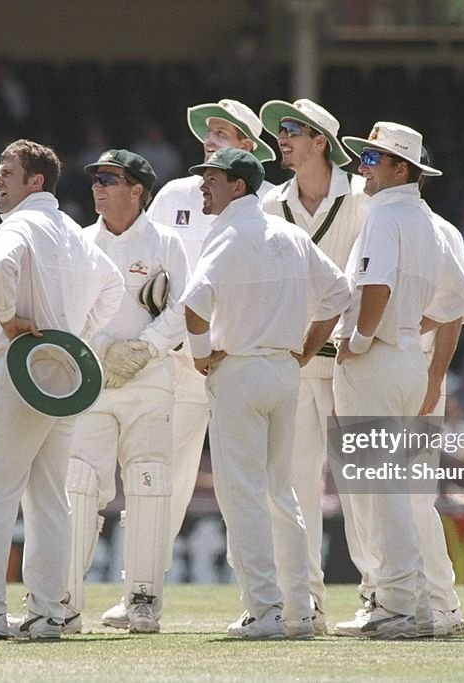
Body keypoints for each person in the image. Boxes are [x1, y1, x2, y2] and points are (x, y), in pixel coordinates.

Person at [0, 139, 122, 641]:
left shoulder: (18, 224)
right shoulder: (76, 233)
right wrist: (72, 337)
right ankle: (49, 612)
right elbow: (114, 287)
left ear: (35, 181)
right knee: (50, 498)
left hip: (19, 373)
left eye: (7, 172)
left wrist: (10, 319)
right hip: (63, 378)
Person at [100, 99, 275, 629]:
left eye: (224, 132)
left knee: (247, 484)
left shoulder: (266, 203)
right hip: (175, 359)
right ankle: (141, 594)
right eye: (207, 131)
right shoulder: (176, 193)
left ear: (248, 145)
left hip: (236, 357)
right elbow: (145, 265)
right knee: (158, 480)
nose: (210, 139)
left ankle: (264, 603)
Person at [181, 147, 349, 639]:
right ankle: (299, 609)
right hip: (282, 371)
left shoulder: (227, 234)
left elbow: (194, 308)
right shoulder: (291, 233)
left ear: (239, 185)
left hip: (240, 369)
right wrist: (303, 349)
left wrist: (198, 355)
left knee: (244, 496)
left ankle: (265, 609)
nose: (203, 186)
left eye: (213, 178)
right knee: (283, 493)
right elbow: (339, 292)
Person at [332, 122, 451, 639]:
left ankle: (397, 605)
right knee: (395, 488)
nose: (363, 167)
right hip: (405, 355)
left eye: (374, 160)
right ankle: (415, 604)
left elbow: (374, 283)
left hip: (377, 357)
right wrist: (401, 331)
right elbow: (454, 305)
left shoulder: (384, 217)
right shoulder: (427, 220)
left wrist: (359, 340)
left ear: (402, 168)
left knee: (383, 489)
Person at [64, 149, 188, 634]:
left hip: (150, 378)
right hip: (92, 380)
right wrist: (106, 348)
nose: (97, 186)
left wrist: (145, 347)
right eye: (95, 178)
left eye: (109, 179)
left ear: (137, 190)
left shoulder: (166, 241)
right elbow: (69, 309)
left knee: (149, 482)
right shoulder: (80, 242)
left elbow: (185, 305)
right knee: (80, 483)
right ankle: (64, 599)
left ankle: (142, 599)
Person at [257, 98, 363, 633]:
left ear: (321, 140)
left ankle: (380, 598)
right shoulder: (267, 203)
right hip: (293, 364)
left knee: (364, 485)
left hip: (353, 362)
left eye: (292, 130)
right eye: (280, 130)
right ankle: (302, 603)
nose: (282, 138)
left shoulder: (364, 196)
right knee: (291, 487)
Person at [413, 147, 464, 637]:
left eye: (374, 162)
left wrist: (435, 378)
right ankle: (387, 598)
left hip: (414, 375)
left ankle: (443, 605)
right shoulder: (366, 219)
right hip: (365, 375)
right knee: (370, 496)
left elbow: (456, 307)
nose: (362, 171)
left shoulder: (439, 230)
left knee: (412, 496)